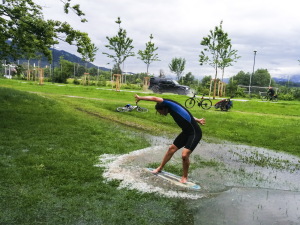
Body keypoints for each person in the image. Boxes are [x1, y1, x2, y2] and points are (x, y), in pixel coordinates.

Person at [135, 94, 206, 183]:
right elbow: (186, 113)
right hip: (186, 132)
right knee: (171, 149)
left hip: (195, 133)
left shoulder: (168, 103)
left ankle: (184, 177)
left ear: (163, 108)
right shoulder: (172, 110)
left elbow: (154, 98)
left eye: (159, 111)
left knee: (184, 155)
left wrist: (140, 98)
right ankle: (159, 168)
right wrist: (198, 120)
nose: (160, 114)